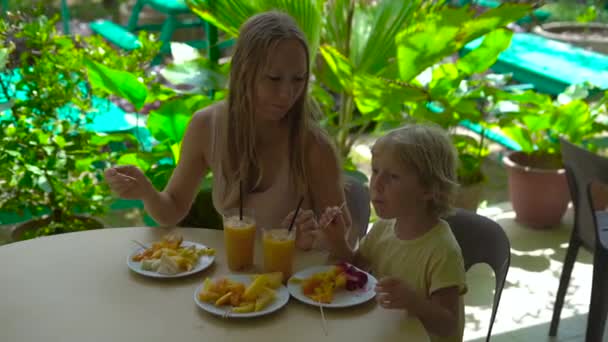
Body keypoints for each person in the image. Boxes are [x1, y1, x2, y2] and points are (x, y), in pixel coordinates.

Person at [104, 11, 352, 250]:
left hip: (298, 283)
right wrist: (147, 192)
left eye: (298, 79)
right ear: (244, 72)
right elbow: (172, 210)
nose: (287, 94)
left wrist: (313, 239)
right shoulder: (207, 127)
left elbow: (344, 236)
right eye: (274, 79)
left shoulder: (314, 146)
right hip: (235, 283)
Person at [319, 124, 466, 342]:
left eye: (393, 177)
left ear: (428, 189)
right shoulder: (382, 228)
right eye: (376, 171)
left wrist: (415, 304)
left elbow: (448, 325)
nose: (376, 184)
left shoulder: (442, 250)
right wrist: (338, 241)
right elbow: (356, 271)